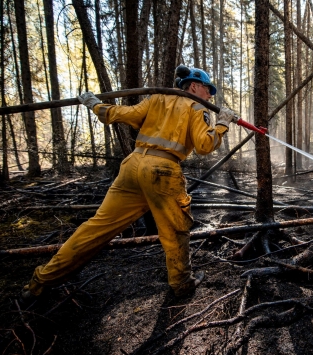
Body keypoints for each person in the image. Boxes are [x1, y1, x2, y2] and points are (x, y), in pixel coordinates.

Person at [21, 66, 239, 301]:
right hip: (163, 172)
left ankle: (39, 283)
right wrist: (222, 123)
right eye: (208, 90)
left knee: (96, 228)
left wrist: (94, 104)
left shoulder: (155, 99)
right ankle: (182, 283)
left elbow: (120, 114)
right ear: (195, 86)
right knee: (175, 232)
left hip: (132, 167)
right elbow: (205, 146)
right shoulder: (198, 108)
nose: (210, 96)